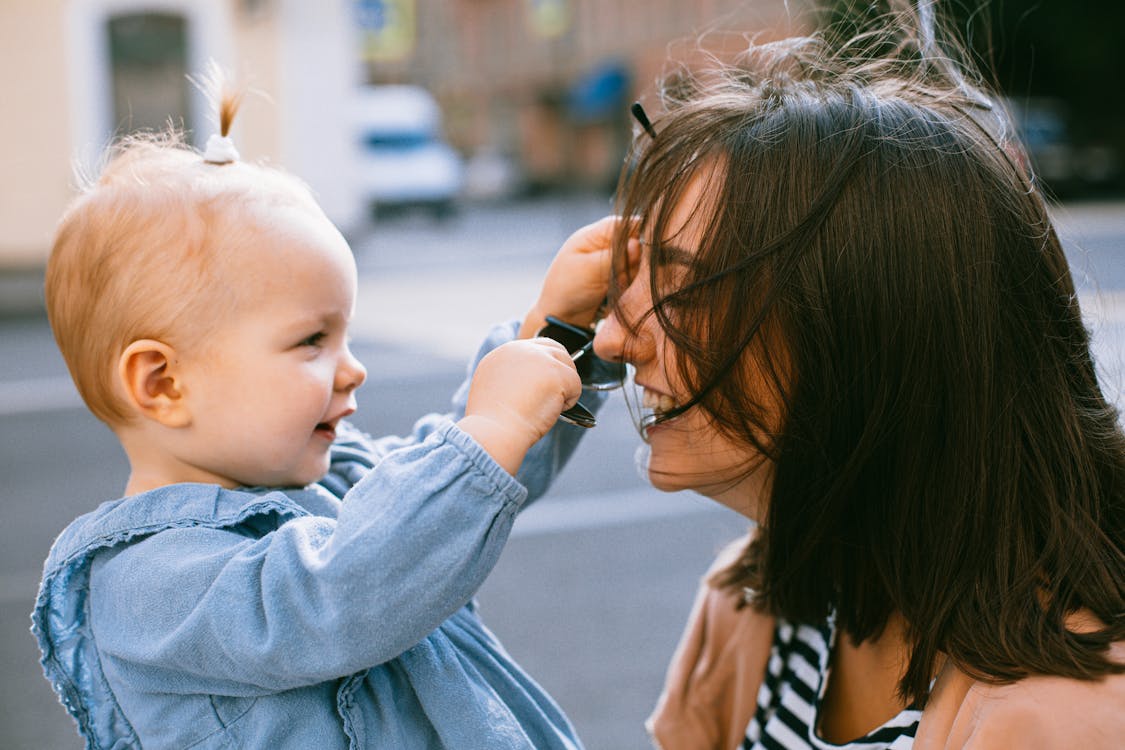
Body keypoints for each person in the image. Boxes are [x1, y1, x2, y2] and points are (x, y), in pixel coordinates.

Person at [590, 4, 1125, 748]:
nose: (612, 337)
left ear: (867, 333)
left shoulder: (1070, 720)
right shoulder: (754, 598)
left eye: (683, 292)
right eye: (630, 280)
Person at [32, 74, 619, 749]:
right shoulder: (145, 586)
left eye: (343, 336)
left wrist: (556, 332)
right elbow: (342, 591)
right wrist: (492, 429)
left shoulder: (330, 484)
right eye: (311, 340)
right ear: (163, 382)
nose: (352, 367)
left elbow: (447, 486)